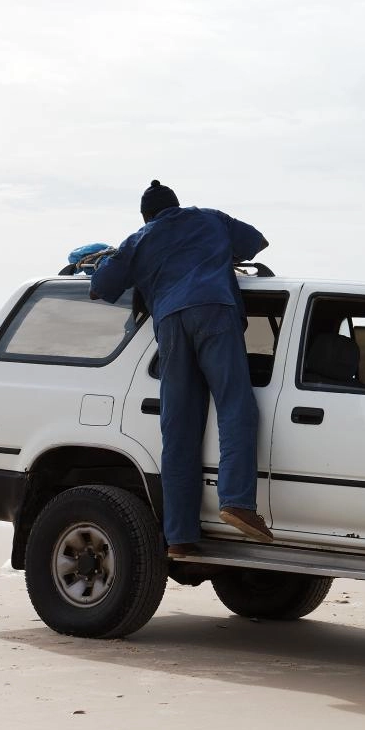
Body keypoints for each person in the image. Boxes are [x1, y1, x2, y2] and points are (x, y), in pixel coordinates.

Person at [90, 180, 273, 557]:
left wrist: (116, 260)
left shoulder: (139, 240)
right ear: (177, 205)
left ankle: (180, 536)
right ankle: (236, 501)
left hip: (172, 325)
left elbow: (101, 286)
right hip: (214, 313)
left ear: (147, 216)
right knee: (235, 405)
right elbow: (256, 241)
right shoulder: (210, 219)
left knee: (178, 429)